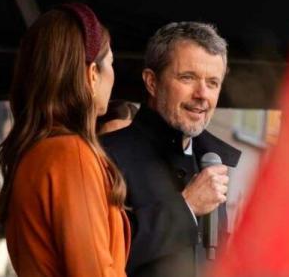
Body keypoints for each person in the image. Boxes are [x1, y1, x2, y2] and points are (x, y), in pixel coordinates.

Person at [0, 3, 130, 277]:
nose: (114, 76)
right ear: (92, 74)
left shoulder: (36, 153)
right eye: (112, 64)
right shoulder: (72, 154)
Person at [101, 22, 241, 277]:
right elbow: (96, 258)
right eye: (188, 78)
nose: (202, 94)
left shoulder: (213, 164)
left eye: (212, 83)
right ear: (152, 82)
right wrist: (185, 208)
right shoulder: (105, 156)